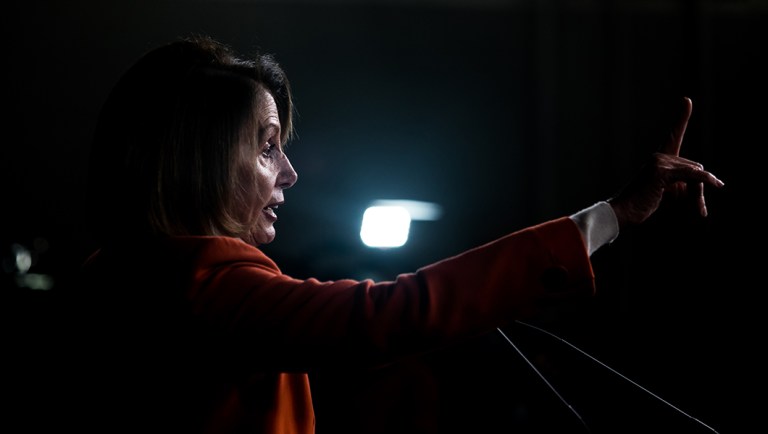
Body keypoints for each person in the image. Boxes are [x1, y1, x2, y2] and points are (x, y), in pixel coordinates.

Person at [69, 34, 723, 434]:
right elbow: (387, 316)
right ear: (200, 161)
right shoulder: (195, 285)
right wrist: (611, 217)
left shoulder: (120, 274)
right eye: (267, 147)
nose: (290, 172)